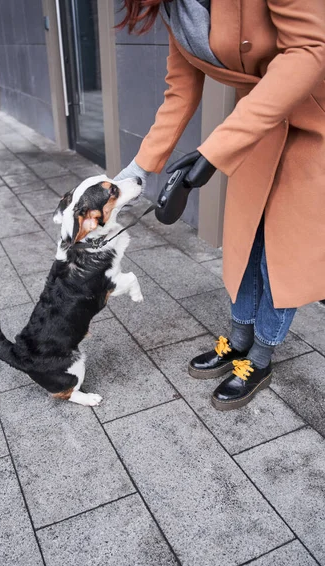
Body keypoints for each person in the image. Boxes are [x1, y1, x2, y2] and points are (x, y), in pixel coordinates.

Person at [115, 0, 325, 410]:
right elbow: (180, 89)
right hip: (255, 125)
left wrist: (213, 153)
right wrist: (138, 170)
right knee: (245, 245)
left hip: (316, 123)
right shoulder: (179, 10)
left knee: (283, 258)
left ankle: (260, 360)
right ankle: (238, 341)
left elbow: (307, 51)